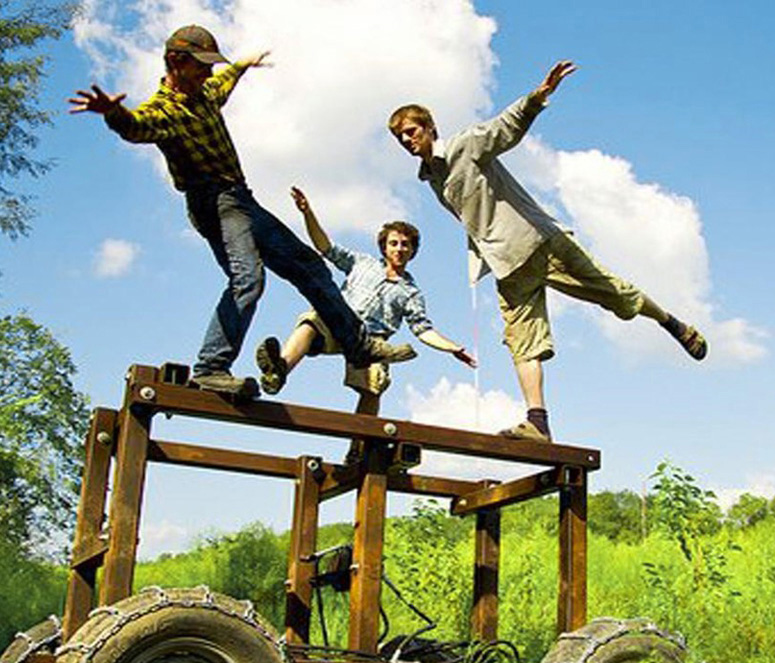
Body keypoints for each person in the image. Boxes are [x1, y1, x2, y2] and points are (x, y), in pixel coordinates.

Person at [69, 24, 412, 398]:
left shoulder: (206, 92)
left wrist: (245, 62)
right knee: (248, 278)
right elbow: (136, 127)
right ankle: (211, 368)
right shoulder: (164, 111)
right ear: (175, 62)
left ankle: (356, 344)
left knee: (310, 265)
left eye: (210, 65)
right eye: (201, 66)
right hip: (213, 204)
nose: (208, 73)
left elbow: (227, 77)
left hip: (242, 200)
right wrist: (113, 113)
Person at [388, 60, 708, 442]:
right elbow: (473, 217)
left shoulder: (463, 145)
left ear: (429, 128)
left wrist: (537, 98)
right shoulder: (431, 178)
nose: (407, 141)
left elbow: (503, 129)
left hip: (538, 243)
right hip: (505, 264)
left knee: (612, 292)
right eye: (401, 138)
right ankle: (537, 422)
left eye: (411, 132)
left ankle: (671, 323)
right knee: (521, 341)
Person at [255, 187, 477, 420]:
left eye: (405, 245)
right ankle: (279, 371)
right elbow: (325, 247)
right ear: (384, 247)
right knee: (311, 320)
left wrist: (452, 347)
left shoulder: (411, 293)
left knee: (374, 384)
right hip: (339, 322)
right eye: (394, 243)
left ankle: (359, 448)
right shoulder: (362, 263)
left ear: (412, 251)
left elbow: (423, 330)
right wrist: (307, 213)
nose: (399, 249)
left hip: (371, 340)